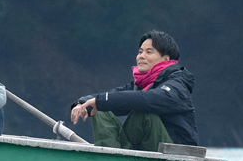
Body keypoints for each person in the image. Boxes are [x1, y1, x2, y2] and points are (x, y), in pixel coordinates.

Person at [69, 30, 198, 150]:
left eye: (149, 52)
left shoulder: (177, 84)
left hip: (174, 151)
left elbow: (148, 99)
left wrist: (101, 101)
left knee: (144, 111)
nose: (141, 56)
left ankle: (116, 160)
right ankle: (110, 157)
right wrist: (82, 103)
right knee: (101, 108)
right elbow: (112, 96)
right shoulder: (141, 84)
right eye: (140, 52)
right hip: (143, 148)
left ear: (165, 59)